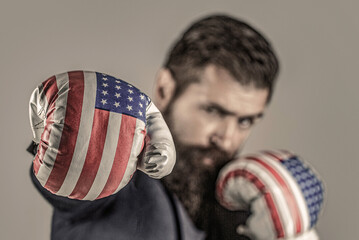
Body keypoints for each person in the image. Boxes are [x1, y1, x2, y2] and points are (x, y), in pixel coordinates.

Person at [28, 14, 279, 240]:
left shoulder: (240, 207)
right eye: (213, 111)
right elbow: (66, 179)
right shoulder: (116, 170)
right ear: (164, 89)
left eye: (245, 121)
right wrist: (79, 136)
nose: (227, 138)